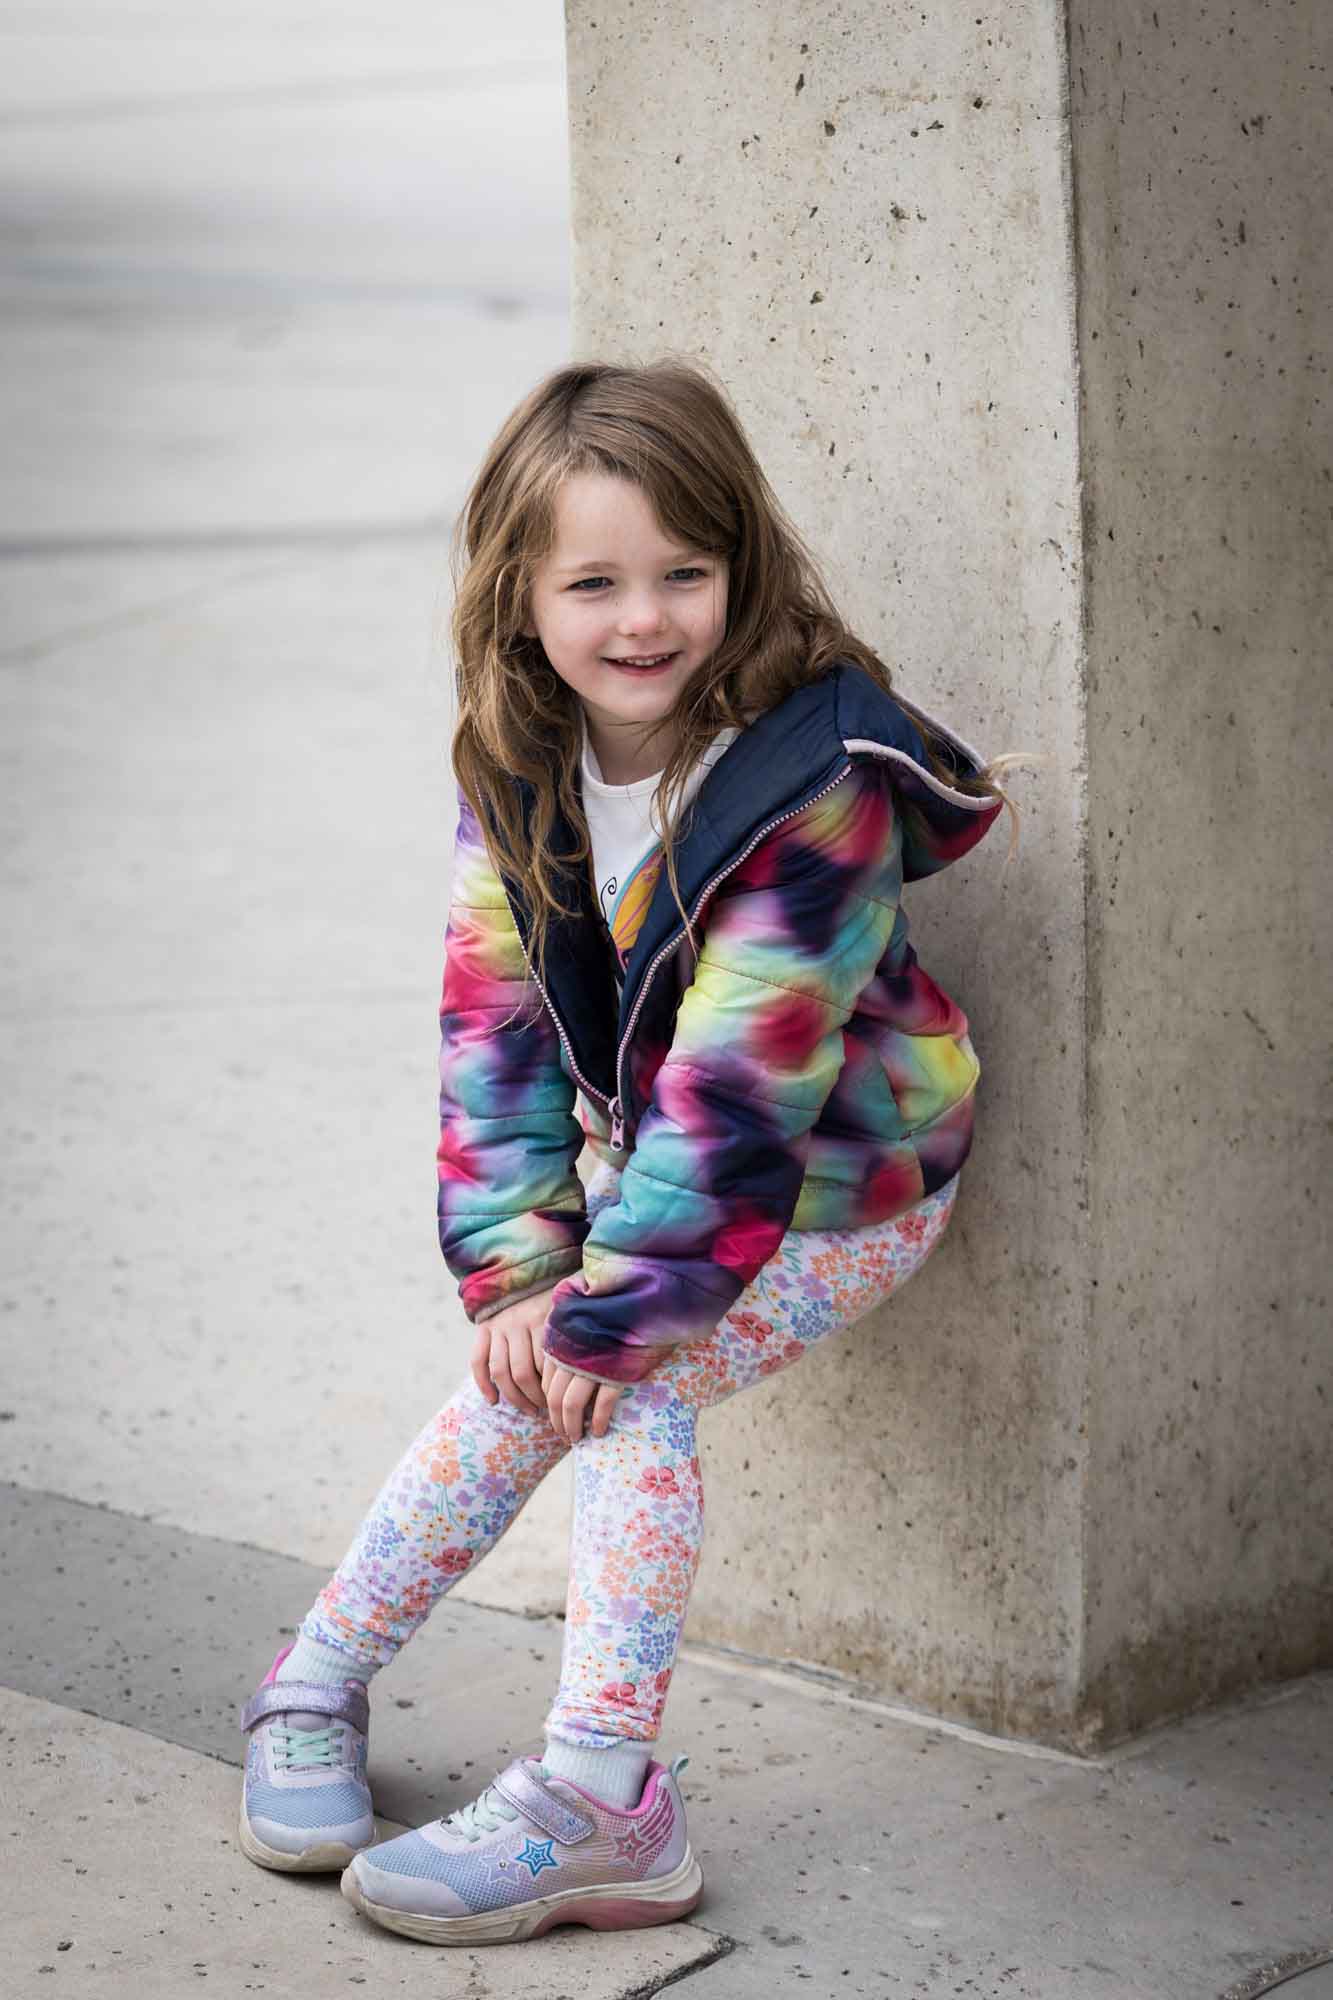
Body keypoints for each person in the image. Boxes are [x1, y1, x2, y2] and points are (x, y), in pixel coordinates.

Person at [237, 359, 1011, 1948]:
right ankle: (313, 1683)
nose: (641, 618)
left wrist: (610, 1314)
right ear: (519, 598)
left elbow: (740, 1088)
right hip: (663, 1187)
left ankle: (603, 1802)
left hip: (840, 1186)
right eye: (592, 581)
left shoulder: (818, 787)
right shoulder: (517, 759)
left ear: (742, 567)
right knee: (526, 1373)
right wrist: (523, 1265)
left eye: (683, 573)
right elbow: (493, 1027)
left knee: (622, 1389)